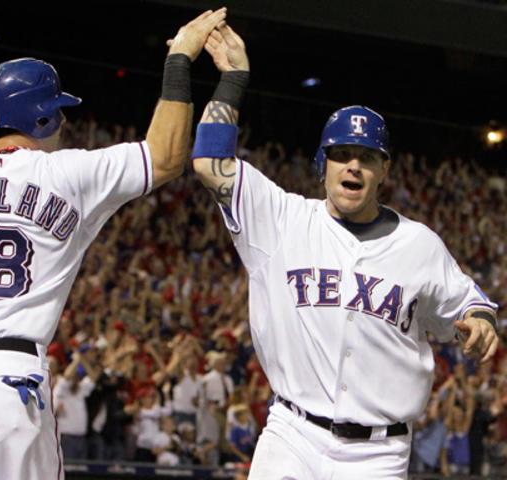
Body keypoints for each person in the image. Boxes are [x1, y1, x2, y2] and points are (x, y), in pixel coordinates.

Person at [0, 8, 227, 480]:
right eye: (57, 110)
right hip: (9, 376)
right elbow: (164, 157)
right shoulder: (68, 174)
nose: (63, 120)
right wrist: (180, 59)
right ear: (41, 117)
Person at [191, 21, 500, 479]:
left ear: (384, 169)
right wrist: (233, 80)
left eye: (366, 156)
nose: (353, 165)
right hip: (292, 434)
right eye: (341, 153)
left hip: (378, 453)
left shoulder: (419, 245)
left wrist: (481, 323)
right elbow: (210, 163)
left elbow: (472, 303)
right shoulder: (282, 219)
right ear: (323, 163)